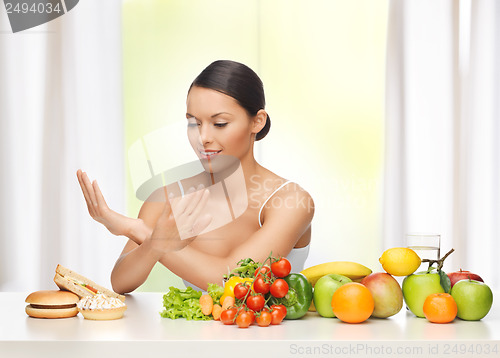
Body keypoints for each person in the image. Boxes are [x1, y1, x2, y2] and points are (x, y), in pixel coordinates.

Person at [77, 60, 314, 293]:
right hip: (194, 334)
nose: (203, 137)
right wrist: (152, 243)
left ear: (257, 122)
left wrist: (140, 232)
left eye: (219, 123)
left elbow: (231, 282)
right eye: (194, 122)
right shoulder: (168, 198)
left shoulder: (290, 201)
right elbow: (121, 282)